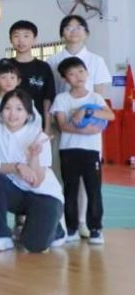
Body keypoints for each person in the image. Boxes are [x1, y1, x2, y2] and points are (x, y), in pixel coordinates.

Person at [0, 90, 65, 253]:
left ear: (28, 114)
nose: (13, 114)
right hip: (14, 192)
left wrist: (34, 156)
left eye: (19, 109)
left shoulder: (39, 136)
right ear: (1, 111)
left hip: (43, 195)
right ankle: (0, 235)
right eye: (7, 108)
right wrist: (17, 166)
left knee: (34, 246)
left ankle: (56, 229)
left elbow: (37, 182)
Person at [52, 57, 114, 244]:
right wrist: (85, 130)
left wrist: (86, 111)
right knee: (70, 190)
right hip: (69, 150)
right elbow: (62, 125)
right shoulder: (61, 99)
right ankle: (71, 229)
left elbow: (109, 115)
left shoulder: (95, 98)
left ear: (87, 73)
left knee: (93, 190)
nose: (77, 76)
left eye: (80, 71)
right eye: (71, 74)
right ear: (65, 79)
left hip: (91, 150)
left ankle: (95, 229)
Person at [0, 20, 54, 129]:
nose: (21, 40)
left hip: (34, 126)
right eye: (16, 36)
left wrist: (47, 128)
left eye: (26, 36)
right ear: (10, 40)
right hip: (6, 126)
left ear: (34, 39)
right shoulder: (5, 64)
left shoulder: (43, 67)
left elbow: (47, 99)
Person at [47, 15, 111, 99]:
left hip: (88, 106)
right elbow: (49, 90)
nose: (74, 31)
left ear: (86, 33)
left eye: (79, 27)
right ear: (62, 35)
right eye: (68, 28)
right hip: (61, 106)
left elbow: (99, 92)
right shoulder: (52, 61)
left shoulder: (97, 60)